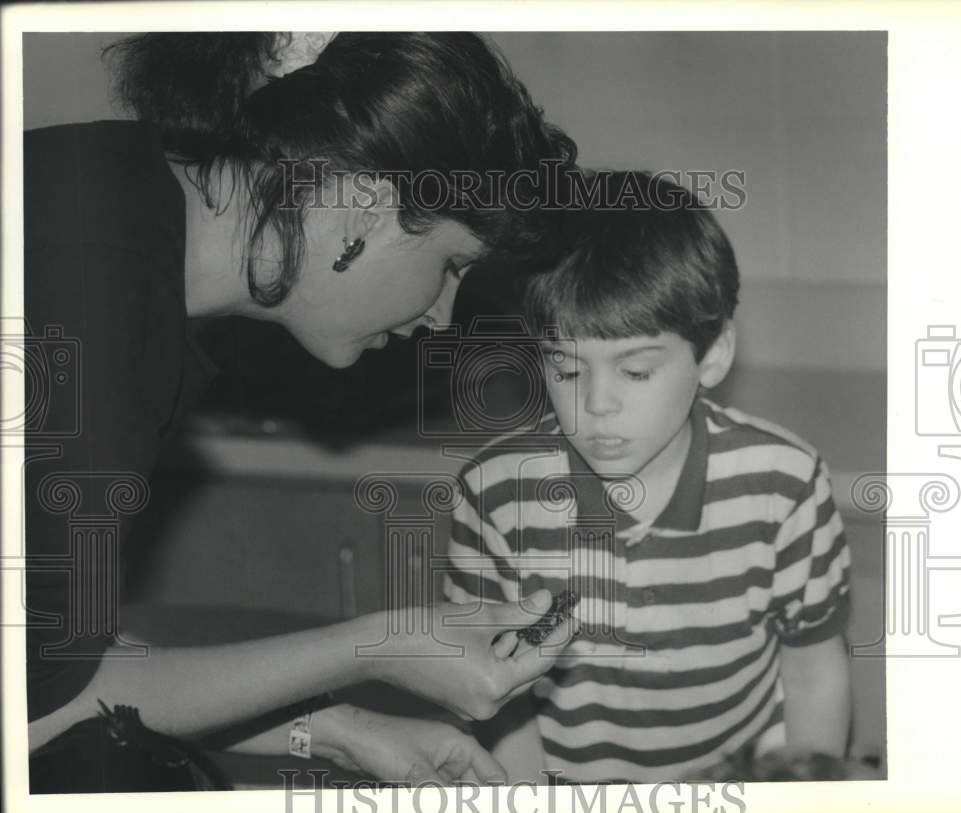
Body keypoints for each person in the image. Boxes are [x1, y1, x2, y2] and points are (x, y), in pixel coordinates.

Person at [23, 32, 578, 791]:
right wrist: (381, 645)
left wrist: (343, 732)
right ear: (364, 205)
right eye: (451, 265)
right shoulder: (96, 323)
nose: (445, 318)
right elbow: (34, 709)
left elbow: (53, 647)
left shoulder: (118, 202)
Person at [443, 171, 853, 783]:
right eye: (566, 369)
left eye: (635, 372)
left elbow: (814, 673)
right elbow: (502, 699)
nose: (597, 404)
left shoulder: (784, 487)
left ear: (710, 355)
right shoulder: (496, 496)